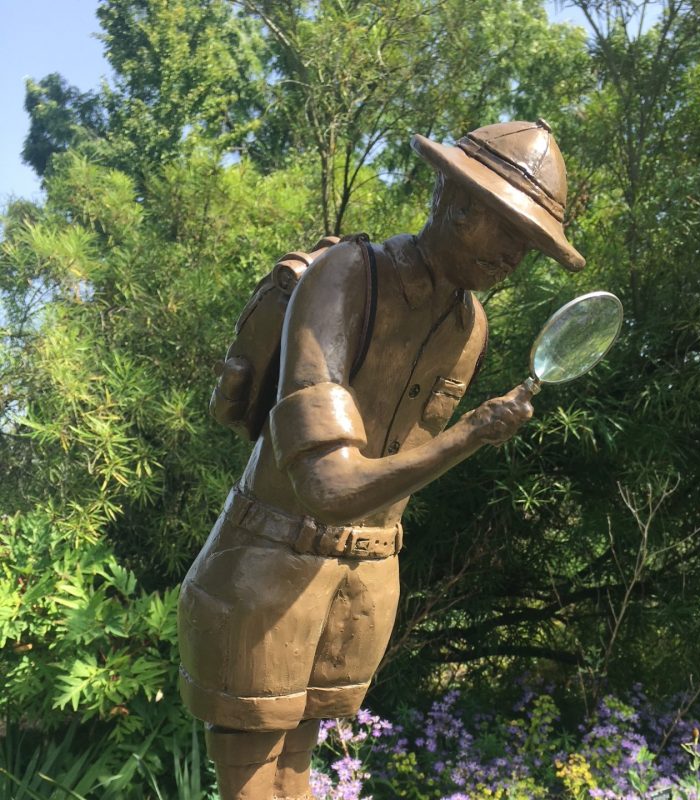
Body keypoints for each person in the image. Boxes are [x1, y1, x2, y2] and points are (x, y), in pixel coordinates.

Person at [177, 119, 585, 800]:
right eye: (508, 230)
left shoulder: (470, 326)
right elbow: (328, 484)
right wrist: (471, 436)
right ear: (454, 201)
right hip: (265, 569)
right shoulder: (347, 277)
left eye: (530, 243)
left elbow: (393, 475)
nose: (515, 256)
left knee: (299, 770)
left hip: (365, 576)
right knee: (251, 777)